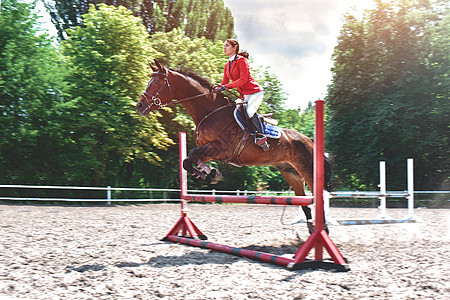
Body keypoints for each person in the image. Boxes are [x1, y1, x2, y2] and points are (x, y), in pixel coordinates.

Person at [215, 39, 269, 151]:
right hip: (243, 95)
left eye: (227, 46)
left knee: (249, 111)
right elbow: (224, 82)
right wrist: (215, 89)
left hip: (254, 92)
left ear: (234, 48)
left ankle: (261, 136)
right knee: (233, 112)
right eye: (224, 46)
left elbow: (243, 80)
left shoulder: (241, 60)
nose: (224, 48)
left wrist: (227, 87)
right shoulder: (227, 65)